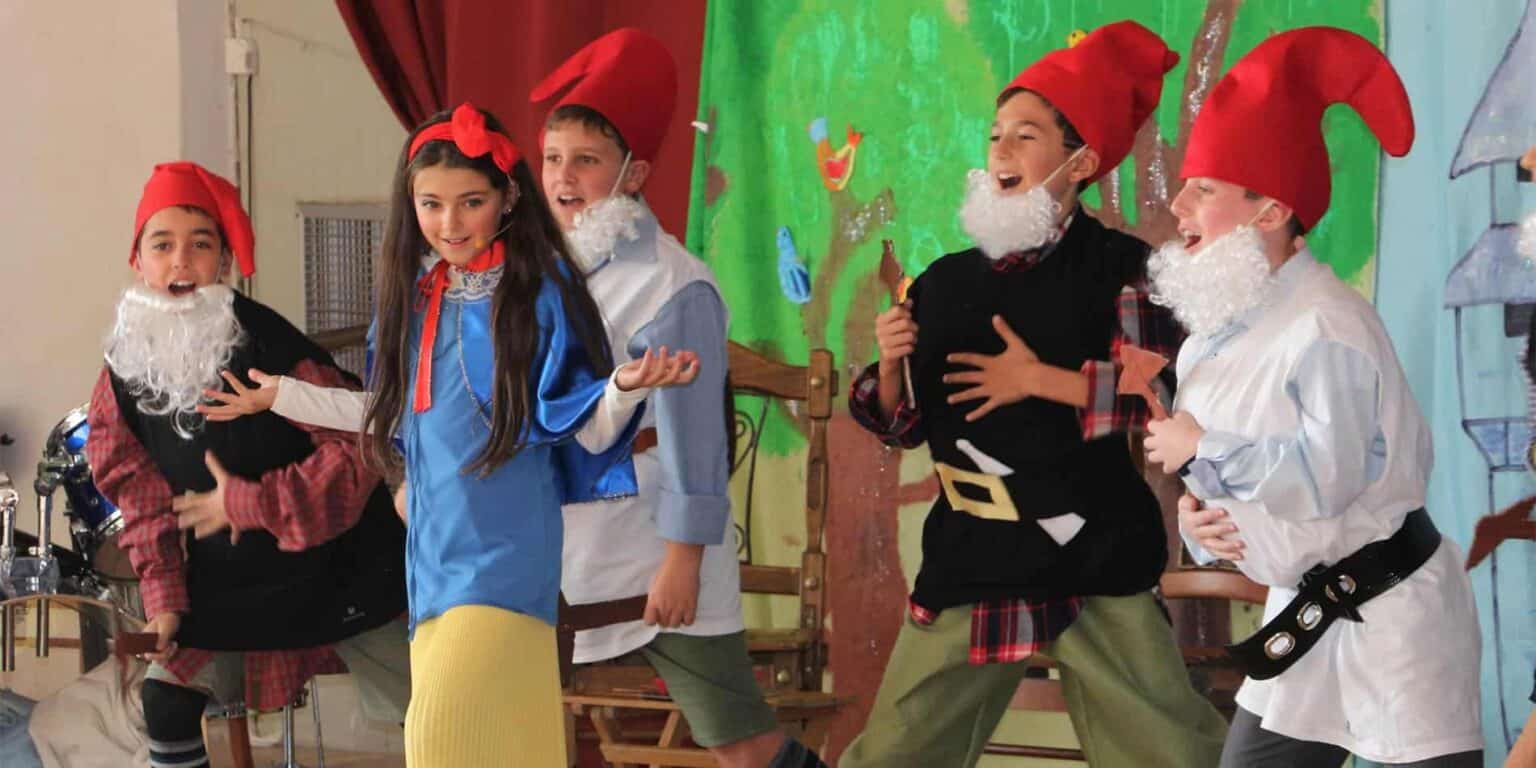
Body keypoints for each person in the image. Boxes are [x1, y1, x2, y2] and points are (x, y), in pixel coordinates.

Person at [841, 21, 1227, 768]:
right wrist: (889, 368)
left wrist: (1040, 381)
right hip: (973, 555)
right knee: (892, 754)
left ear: (1079, 161)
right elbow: (909, 424)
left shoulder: (1124, 270)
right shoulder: (945, 281)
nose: (1001, 154)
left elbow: (1171, 400)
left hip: (1093, 555)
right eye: (995, 137)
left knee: (1172, 753)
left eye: (1025, 136)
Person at [1143, 26, 1483, 767]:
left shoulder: (1328, 328)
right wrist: (1204, 521)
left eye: (1204, 189)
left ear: (1269, 210)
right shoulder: (1211, 340)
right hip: (1302, 618)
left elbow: (1326, 480)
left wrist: (1200, 447)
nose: (1179, 205)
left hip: (1393, 623)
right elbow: (1230, 491)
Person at [359, 102, 695, 766]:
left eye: (470, 201)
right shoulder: (414, 298)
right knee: (495, 747)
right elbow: (386, 415)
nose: (449, 223)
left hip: (505, 559)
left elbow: (583, 427)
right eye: (431, 204)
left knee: (434, 742)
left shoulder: (540, 294)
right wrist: (400, 483)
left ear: (508, 196)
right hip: (431, 566)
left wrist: (623, 387)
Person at [86, 161, 410, 768]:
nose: (181, 262)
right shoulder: (122, 373)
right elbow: (140, 496)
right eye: (163, 245)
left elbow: (357, 447)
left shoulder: (273, 348)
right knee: (166, 702)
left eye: (200, 246)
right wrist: (164, 603)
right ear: (138, 262)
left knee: (434, 707)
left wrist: (253, 502)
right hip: (224, 584)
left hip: (337, 570)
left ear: (225, 263)